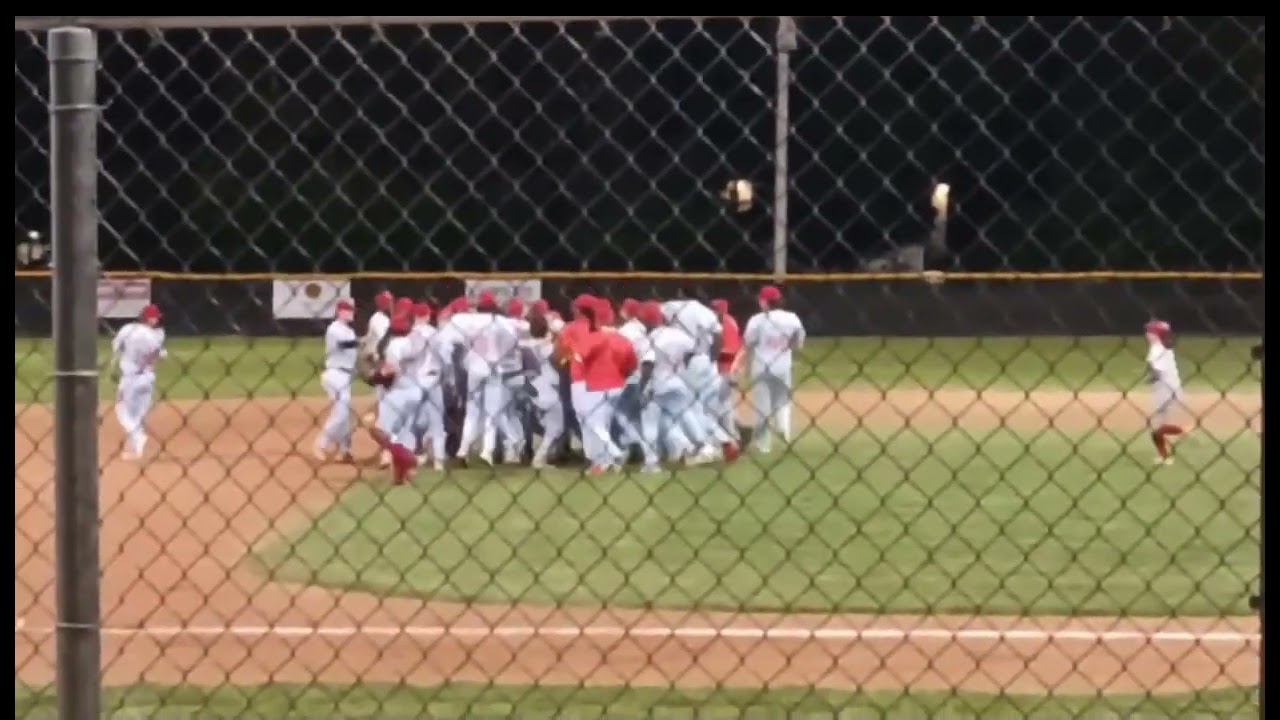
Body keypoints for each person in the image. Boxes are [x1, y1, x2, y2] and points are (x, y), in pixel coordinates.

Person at [441, 291, 522, 465]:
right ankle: (487, 450)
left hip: (475, 368)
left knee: (472, 412)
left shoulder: (468, 320)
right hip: (494, 368)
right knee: (491, 413)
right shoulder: (501, 322)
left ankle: (463, 450)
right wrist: (501, 355)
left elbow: (448, 338)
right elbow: (513, 339)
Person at [735, 285, 806, 454]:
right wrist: (787, 346)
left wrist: (741, 367)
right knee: (782, 401)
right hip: (783, 366)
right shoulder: (792, 318)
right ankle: (783, 429)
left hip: (761, 368)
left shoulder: (757, 320)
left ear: (765, 302)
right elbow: (798, 342)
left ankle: (763, 444)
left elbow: (748, 345)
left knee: (762, 408)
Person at [581, 307, 638, 473]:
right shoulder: (622, 338)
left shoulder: (593, 337)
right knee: (603, 424)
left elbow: (581, 357)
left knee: (592, 422)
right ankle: (604, 462)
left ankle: (614, 452)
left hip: (597, 384)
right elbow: (632, 364)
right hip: (617, 384)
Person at [367, 312, 421, 484]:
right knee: (405, 432)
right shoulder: (418, 342)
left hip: (399, 393)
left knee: (375, 427)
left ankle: (399, 455)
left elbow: (391, 369)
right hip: (417, 392)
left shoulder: (394, 345)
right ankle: (404, 473)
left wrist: (374, 376)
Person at [110, 303, 167, 461]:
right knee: (137, 415)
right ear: (149, 318)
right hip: (148, 378)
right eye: (155, 317)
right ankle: (134, 450)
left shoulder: (127, 329)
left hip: (129, 378)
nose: (157, 320)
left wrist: (113, 368)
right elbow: (161, 355)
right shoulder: (157, 335)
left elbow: (116, 349)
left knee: (122, 410)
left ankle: (138, 438)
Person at [314, 298, 359, 462]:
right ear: (339, 312)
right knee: (341, 413)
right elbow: (344, 345)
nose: (351, 312)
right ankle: (320, 444)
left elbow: (352, 353)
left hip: (345, 377)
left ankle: (344, 450)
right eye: (347, 310)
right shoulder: (334, 329)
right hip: (334, 375)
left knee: (344, 415)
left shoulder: (349, 330)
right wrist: (365, 340)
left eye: (352, 309)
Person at [523, 314, 565, 469]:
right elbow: (559, 361)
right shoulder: (549, 347)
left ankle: (538, 454)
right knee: (557, 426)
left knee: (548, 425)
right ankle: (539, 458)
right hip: (548, 388)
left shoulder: (526, 345)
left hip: (532, 387)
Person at [1145, 319, 1186, 465]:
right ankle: (1165, 455)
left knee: (1156, 428)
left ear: (1156, 334)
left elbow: (1157, 372)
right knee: (1158, 426)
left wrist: (1148, 379)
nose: (1147, 334)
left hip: (1165, 390)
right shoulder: (1164, 346)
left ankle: (1183, 432)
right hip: (1170, 389)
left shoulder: (1157, 349)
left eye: (1150, 331)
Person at [711, 298, 742, 444]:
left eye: (717, 309)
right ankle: (734, 434)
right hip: (720, 371)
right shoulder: (716, 323)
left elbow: (730, 351)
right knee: (723, 405)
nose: (714, 312)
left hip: (726, 371)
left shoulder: (728, 324)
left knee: (722, 405)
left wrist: (711, 353)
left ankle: (732, 436)